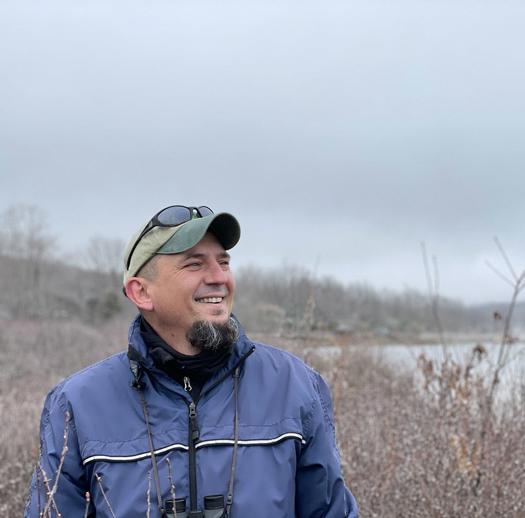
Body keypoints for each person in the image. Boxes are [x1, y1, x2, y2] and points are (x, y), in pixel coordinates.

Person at [25, 205, 358, 517]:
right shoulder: (77, 403)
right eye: (194, 264)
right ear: (141, 292)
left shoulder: (295, 386)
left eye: (224, 262)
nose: (219, 277)